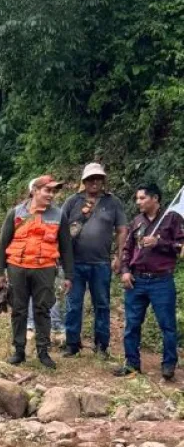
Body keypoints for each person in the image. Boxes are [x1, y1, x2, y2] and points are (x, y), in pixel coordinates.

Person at [0, 176, 74, 369]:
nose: (51, 195)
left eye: (54, 191)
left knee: (42, 310)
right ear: (35, 191)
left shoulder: (58, 215)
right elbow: (3, 243)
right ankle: (19, 351)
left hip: (45, 269)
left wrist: (69, 275)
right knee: (19, 310)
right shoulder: (15, 213)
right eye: (47, 190)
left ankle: (43, 352)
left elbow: (66, 247)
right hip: (17, 267)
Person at [115, 184, 184, 380]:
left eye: (142, 198)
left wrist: (159, 243)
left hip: (161, 280)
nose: (138, 202)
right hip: (137, 280)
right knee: (132, 325)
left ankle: (169, 365)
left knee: (167, 325)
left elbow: (181, 248)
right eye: (137, 198)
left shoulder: (172, 219)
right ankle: (131, 364)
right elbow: (127, 249)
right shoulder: (137, 221)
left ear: (155, 199)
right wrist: (125, 271)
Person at [60, 163, 128, 359]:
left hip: (101, 263)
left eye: (98, 178)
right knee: (74, 304)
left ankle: (101, 346)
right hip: (75, 263)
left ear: (103, 181)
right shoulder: (72, 201)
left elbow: (122, 229)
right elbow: (60, 229)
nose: (95, 182)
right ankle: (72, 344)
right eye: (91, 179)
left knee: (102, 304)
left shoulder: (112, 202)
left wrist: (119, 255)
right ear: (84, 181)